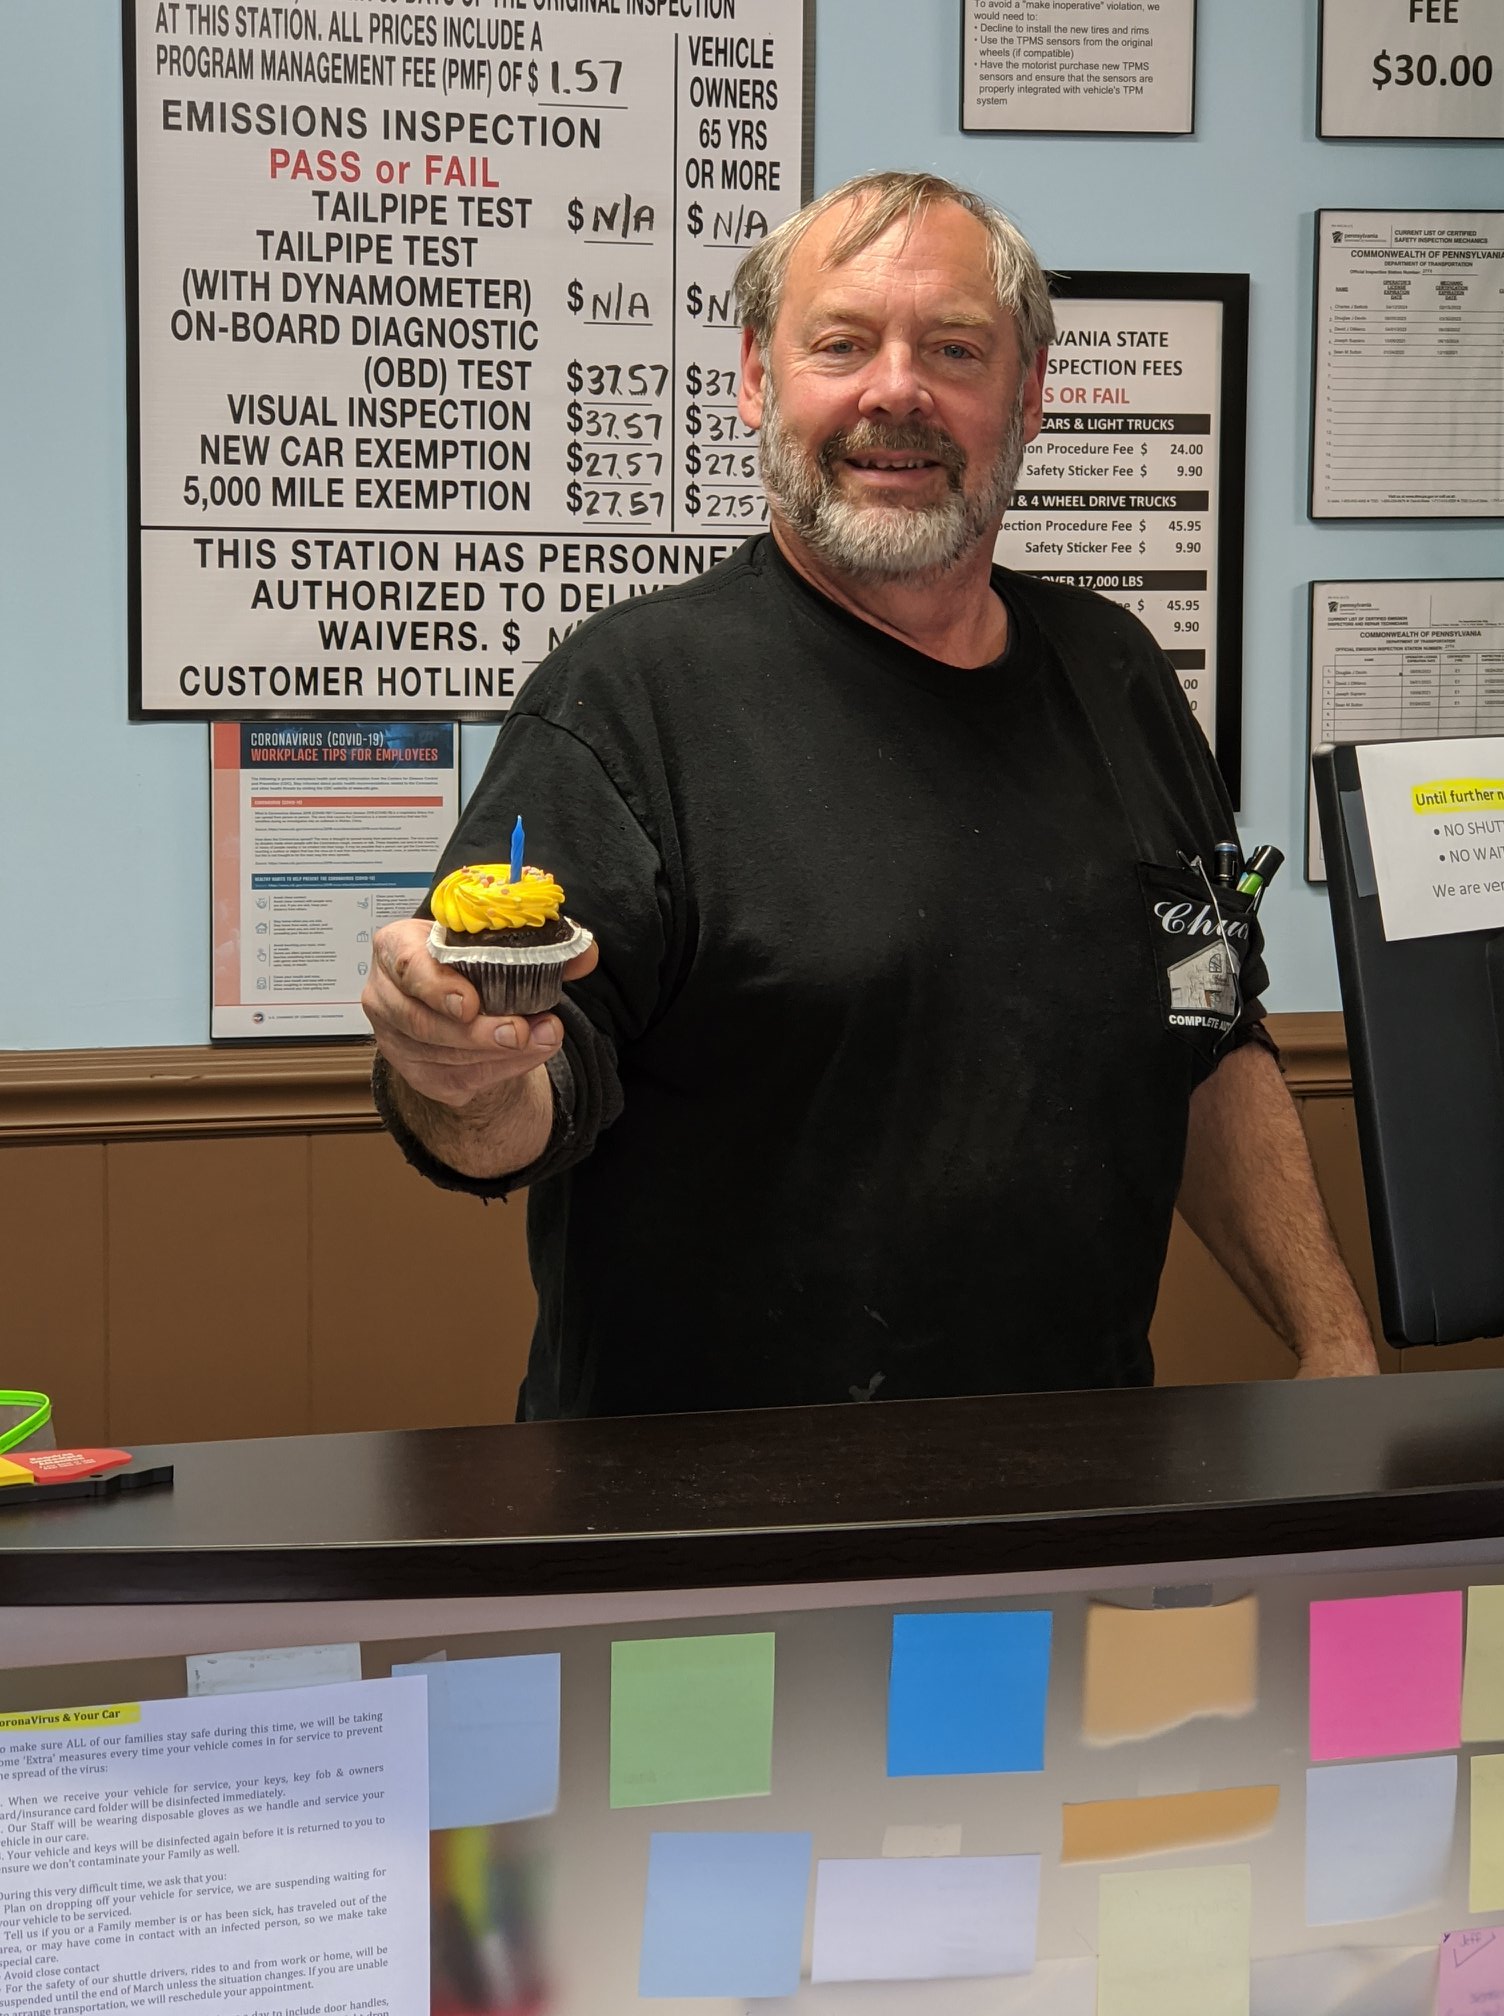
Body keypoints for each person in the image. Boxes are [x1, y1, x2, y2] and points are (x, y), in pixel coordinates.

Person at [363, 170, 1379, 1418]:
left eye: (953, 348)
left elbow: (1208, 1034)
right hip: (703, 1513)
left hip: (1082, 1480)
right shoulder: (627, 698)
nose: (895, 391)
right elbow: (523, 1089)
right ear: (757, 378)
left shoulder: (1118, 674)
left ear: (1028, 395)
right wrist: (454, 1073)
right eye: (841, 344)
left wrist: (1337, 1345)